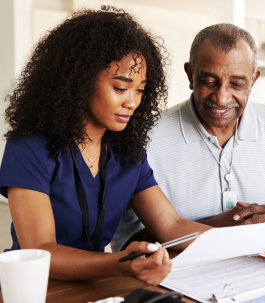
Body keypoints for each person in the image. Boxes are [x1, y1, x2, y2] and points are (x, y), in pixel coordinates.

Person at [0, 6, 212, 285]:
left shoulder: (128, 152)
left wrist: (248, 243)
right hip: (32, 289)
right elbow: (40, 250)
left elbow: (171, 225)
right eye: (120, 88)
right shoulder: (29, 146)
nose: (133, 102)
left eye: (140, 89)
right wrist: (122, 263)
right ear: (79, 81)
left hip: (96, 286)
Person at [111, 23, 265, 262]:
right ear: (190, 75)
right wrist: (230, 229)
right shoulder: (144, 138)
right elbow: (130, 244)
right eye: (209, 82)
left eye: (237, 84)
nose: (221, 97)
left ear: (254, 80)